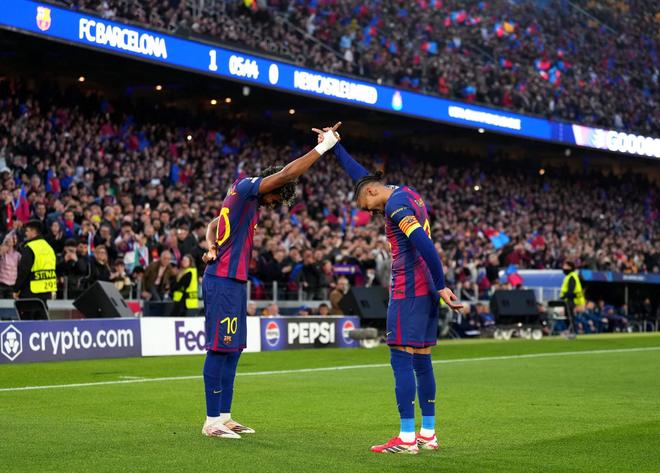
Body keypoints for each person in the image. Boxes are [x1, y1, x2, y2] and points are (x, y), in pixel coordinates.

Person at [198, 123, 342, 439]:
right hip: (221, 280)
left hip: (234, 281)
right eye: (277, 198)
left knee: (233, 349)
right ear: (271, 186)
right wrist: (323, 147)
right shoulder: (247, 188)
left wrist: (211, 244)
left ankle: (225, 416)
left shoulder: (245, 201)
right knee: (219, 348)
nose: (274, 204)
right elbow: (288, 173)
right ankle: (211, 421)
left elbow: (213, 224)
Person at [324, 135, 462, 454]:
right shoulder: (405, 193)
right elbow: (363, 178)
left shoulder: (396, 208)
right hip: (424, 289)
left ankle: (406, 437)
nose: (369, 212)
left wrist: (442, 284)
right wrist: (334, 147)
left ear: (373, 193)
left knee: (400, 357)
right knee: (423, 359)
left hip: (409, 289)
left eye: (366, 206)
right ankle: (428, 433)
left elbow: (425, 244)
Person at [13, 220, 57, 303]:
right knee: (42, 311)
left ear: (33, 232)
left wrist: (16, 289)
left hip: (31, 291)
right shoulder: (48, 247)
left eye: (27, 231)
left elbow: (24, 270)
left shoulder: (30, 247)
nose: (25, 233)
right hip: (47, 290)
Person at [559, 261, 585, 336]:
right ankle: (571, 331)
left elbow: (571, 289)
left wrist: (564, 296)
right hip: (570, 300)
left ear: (570, 267)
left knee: (570, 317)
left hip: (571, 300)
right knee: (569, 317)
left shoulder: (571, 276)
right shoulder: (570, 276)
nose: (563, 268)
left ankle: (572, 331)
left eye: (565, 266)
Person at [0, 232, 21, 298]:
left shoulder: (17, 255)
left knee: (10, 302)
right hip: (1, 283)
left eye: (13, 239)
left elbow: (21, 267)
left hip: (12, 285)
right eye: (8, 240)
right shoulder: (2, 252)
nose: (10, 241)